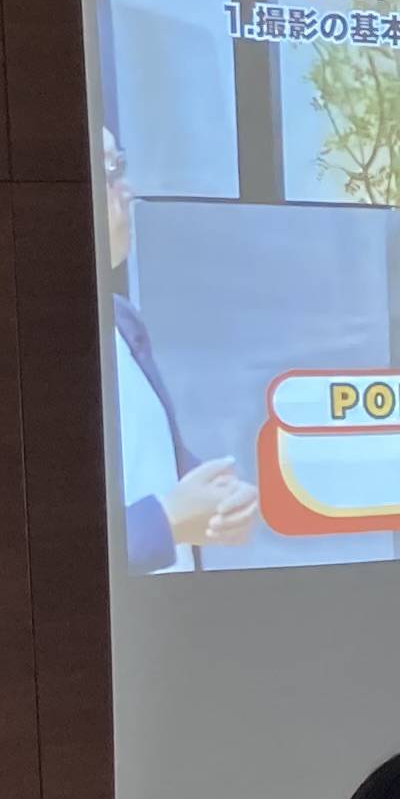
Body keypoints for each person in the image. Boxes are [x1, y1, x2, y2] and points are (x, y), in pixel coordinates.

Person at [103, 123, 257, 571]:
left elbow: (154, 456)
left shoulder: (119, 319)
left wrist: (217, 498)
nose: (126, 191)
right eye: (111, 171)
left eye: (121, 166)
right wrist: (168, 521)